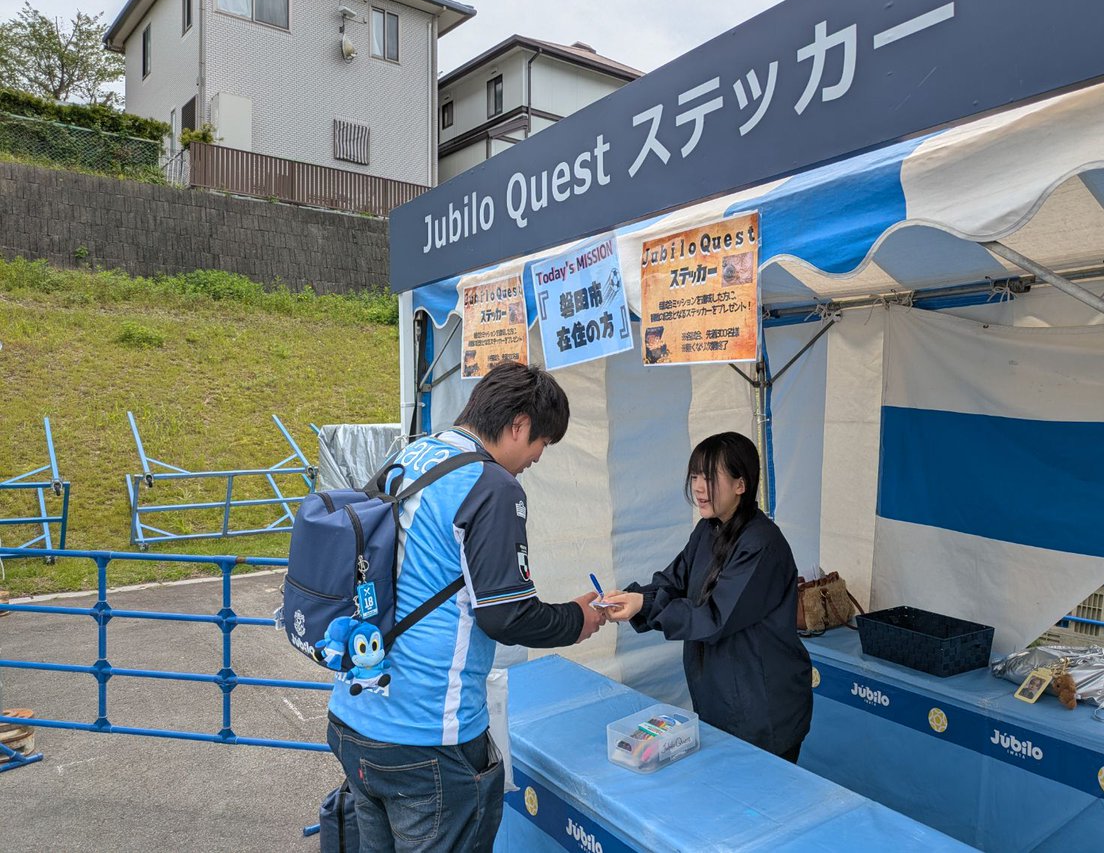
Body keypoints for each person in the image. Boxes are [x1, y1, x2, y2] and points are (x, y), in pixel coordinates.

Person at [326, 362, 605, 852]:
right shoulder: (492, 486)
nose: (538, 456)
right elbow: (506, 614)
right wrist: (579, 619)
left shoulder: (412, 456)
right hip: (427, 738)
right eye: (542, 442)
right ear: (519, 424)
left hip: (355, 716)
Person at [602, 432, 813, 761]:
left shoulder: (761, 544)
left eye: (710, 477)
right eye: (695, 476)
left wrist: (645, 605)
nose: (699, 487)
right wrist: (631, 599)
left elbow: (714, 617)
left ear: (740, 484)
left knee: (761, 801)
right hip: (720, 695)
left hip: (762, 703)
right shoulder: (708, 530)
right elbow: (672, 582)